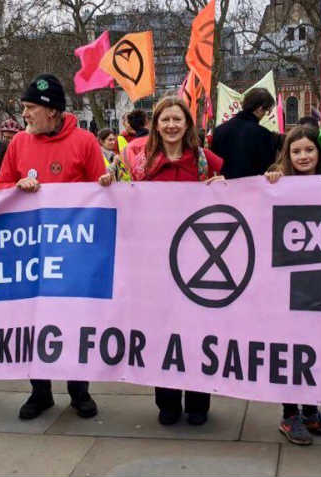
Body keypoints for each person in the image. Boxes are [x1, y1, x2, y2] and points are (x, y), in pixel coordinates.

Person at [100, 96, 224, 426]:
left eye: (177, 119)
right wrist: (109, 186)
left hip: (197, 263)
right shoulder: (138, 163)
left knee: (197, 333)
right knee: (161, 334)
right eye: (164, 119)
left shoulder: (203, 161)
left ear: (187, 125)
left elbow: (230, 196)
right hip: (154, 265)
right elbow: (118, 194)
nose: (171, 125)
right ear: (156, 124)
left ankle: (198, 402)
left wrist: (223, 187)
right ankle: (167, 401)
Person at [0, 73, 103, 420]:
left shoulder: (85, 142)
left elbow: (101, 198)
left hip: (72, 255)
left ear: (52, 111)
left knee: (73, 320)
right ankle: (40, 392)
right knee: (33, 322)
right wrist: (16, 187)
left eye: (29, 108)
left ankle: (79, 391)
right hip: (29, 254)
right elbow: (0, 185)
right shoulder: (18, 144)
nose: (24, 114)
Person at [264, 125, 321, 445]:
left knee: (316, 349)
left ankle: (311, 412)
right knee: (290, 348)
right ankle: (290, 414)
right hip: (286, 282)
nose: (303, 156)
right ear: (287, 155)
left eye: (309, 150)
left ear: (319, 153)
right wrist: (269, 183)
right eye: (296, 151)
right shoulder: (277, 182)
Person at [211, 87, 281, 179]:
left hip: (225, 189)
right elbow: (267, 170)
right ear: (260, 109)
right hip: (254, 190)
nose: (265, 114)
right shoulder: (264, 135)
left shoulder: (218, 130)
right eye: (266, 111)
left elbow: (215, 165)